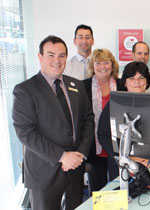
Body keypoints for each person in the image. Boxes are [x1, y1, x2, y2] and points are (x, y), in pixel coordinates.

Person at [12, 35, 94, 210]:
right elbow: (25, 133)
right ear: (40, 57)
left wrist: (81, 153)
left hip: (75, 167)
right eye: (51, 55)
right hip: (44, 171)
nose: (57, 60)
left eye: (62, 55)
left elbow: (88, 119)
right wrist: (62, 156)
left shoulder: (77, 85)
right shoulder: (25, 90)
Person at [97, 61, 150, 182]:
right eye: (132, 78)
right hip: (121, 165)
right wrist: (123, 156)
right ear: (125, 82)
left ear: (147, 82)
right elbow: (103, 134)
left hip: (149, 163)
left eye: (141, 78)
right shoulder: (114, 104)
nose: (137, 82)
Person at [83, 48, 121, 191]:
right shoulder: (84, 86)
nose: (103, 67)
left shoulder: (121, 84)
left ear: (112, 65)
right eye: (98, 63)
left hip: (117, 146)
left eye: (106, 62)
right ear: (92, 66)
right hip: (94, 146)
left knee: (117, 188)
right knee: (97, 189)